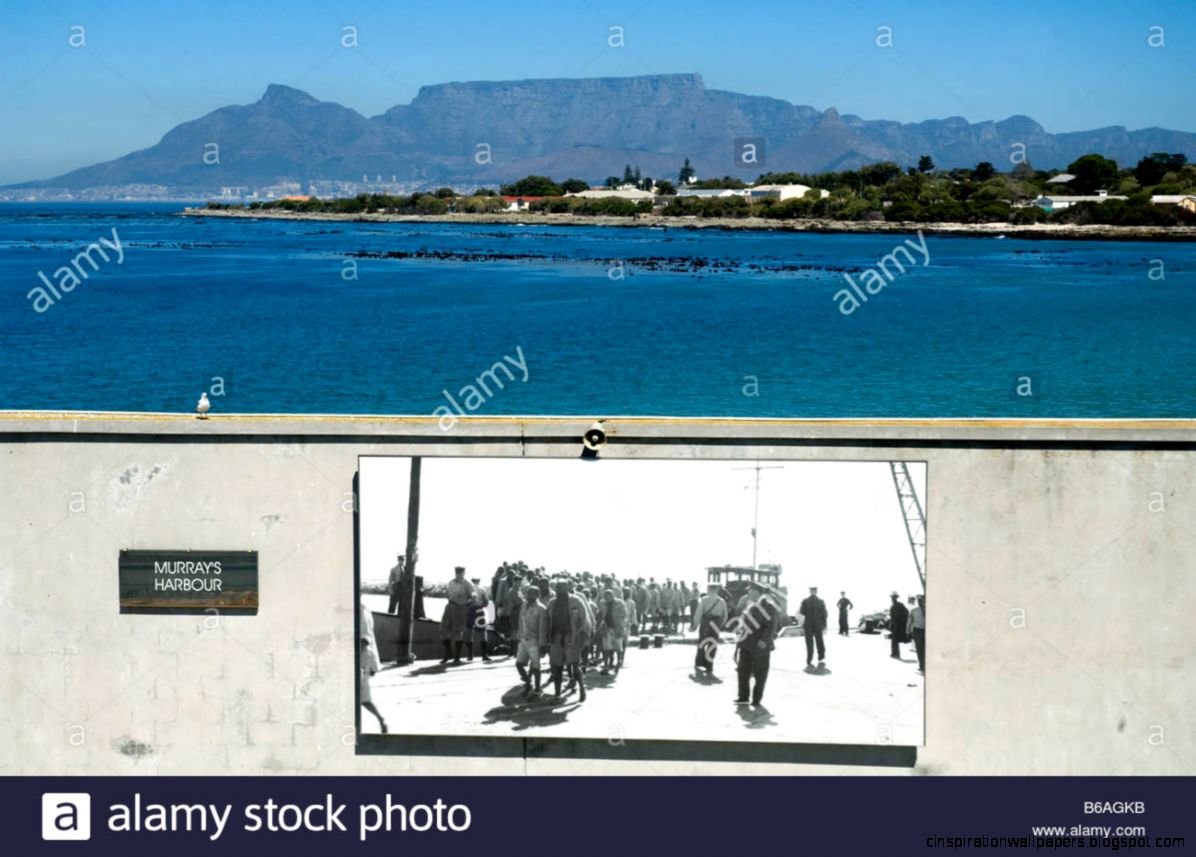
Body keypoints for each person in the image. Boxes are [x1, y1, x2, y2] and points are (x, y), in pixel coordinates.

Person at [546, 580, 592, 702]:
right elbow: (547, 623)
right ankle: (557, 694)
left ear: (567, 587)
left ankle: (582, 688)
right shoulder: (551, 603)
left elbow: (585, 620)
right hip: (556, 638)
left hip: (572, 637)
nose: (559, 589)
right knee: (557, 668)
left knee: (575, 665)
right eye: (557, 587)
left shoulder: (576, 601)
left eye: (562, 587)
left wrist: (583, 637)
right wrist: (546, 641)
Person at [734, 582, 779, 706]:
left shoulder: (768, 606)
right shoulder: (751, 606)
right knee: (742, 670)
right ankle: (743, 697)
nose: (749, 593)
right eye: (749, 591)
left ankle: (756, 699)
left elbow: (771, 626)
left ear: (758, 592)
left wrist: (764, 641)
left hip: (760, 646)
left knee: (760, 672)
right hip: (746, 644)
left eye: (751, 591)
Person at [515, 585, 549, 698]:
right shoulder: (524, 606)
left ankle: (538, 689)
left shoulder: (541, 609)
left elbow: (543, 629)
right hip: (523, 640)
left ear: (537, 595)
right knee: (519, 664)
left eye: (532, 593)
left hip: (535, 641)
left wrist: (543, 645)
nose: (529, 596)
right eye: (528, 593)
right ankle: (528, 683)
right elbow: (520, 621)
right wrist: (519, 636)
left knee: (536, 667)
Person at [359, 601, 388, 733]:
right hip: (362, 657)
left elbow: (365, 639)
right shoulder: (362, 609)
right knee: (360, 697)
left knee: (363, 697)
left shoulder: (361, 612)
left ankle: (381, 720)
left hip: (361, 658)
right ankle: (381, 720)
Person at [440, 566, 475, 665]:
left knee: (458, 632)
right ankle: (448, 653)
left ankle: (457, 657)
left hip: (461, 607)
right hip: (450, 606)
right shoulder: (451, 582)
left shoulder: (467, 584)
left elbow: (474, 596)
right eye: (457, 572)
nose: (459, 574)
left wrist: (469, 606)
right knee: (442, 629)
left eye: (461, 573)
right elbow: (447, 593)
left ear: (464, 573)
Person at [692, 583, 729, 675]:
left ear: (708, 589)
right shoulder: (721, 601)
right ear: (716, 590)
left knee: (702, 643)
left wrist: (695, 625)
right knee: (712, 644)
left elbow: (698, 613)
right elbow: (725, 616)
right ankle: (709, 665)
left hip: (705, 623)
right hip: (716, 624)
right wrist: (720, 625)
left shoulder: (704, 600)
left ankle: (699, 662)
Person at [597, 588, 628, 674]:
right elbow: (600, 614)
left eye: (609, 596)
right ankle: (606, 665)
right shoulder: (602, 603)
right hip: (606, 627)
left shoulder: (619, 603)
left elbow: (625, 615)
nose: (607, 598)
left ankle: (618, 663)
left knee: (618, 647)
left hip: (617, 627)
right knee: (606, 648)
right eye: (605, 596)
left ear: (613, 595)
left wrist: (620, 624)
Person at [799, 585, 828, 667]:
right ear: (816, 591)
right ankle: (821, 656)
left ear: (810, 591)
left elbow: (802, 613)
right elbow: (825, 614)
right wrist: (824, 625)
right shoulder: (821, 601)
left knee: (809, 642)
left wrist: (802, 625)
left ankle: (809, 658)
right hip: (818, 624)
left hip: (808, 624)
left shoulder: (805, 601)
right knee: (820, 640)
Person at [466, 576, 492, 662]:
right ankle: (484, 655)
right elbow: (486, 602)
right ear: (479, 581)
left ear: (472, 581)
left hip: (470, 610)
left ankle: (470, 655)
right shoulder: (482, 589)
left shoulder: (468, 589)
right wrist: (481, 605)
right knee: (482, 632)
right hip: (479, 610)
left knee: (469, 632)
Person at [908, 595, 926, 673]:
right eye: (919, 600)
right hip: (917, 630)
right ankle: (922, 666)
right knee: (920, 649)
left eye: (922, 600)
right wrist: (907, 631)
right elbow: (909, 622)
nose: (920, 601)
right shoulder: (913, 610)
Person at [620, 587, 637, 670]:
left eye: (627, 592)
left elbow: (633, 613)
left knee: (624, 643)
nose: (626, 594)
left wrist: (634, 623)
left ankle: (621, 659)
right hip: (619, 625)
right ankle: (618, 657)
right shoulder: (619, 601)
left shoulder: (631, 603)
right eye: (624, 592)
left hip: (626, 625)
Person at [889, 591, 909, 659]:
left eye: (894, 597)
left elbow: (906, 613)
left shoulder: (900, 605)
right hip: (894, 624)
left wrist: (901, 621)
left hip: (898, 625)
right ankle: (895, 653)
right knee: (894, 639)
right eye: (892, 597)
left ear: (896, 598)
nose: (892, 599)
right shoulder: (893, 606)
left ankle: (895, 653)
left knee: (895, 639)